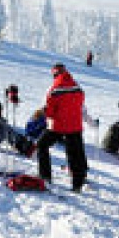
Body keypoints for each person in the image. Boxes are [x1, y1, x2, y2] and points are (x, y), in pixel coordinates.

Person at [36, 63, 89, 192]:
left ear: (54, 74)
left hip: (59, 126)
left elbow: (50, 112)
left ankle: (45, 176)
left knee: (41, 145)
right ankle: (78, 184)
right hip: (76, 125)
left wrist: (46, 112)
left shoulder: (54, 88)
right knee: (75, 153)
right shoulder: (77, 85)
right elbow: (81, 102)